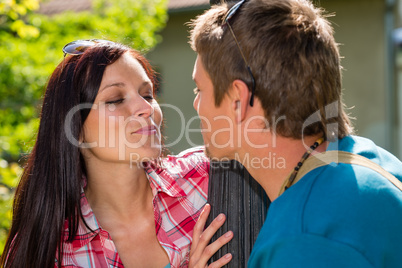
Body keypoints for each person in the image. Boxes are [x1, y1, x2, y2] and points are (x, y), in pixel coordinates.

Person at [189, 0, 402, 267]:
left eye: (199, 90)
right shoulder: (370, 159)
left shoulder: (305, 240)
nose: (196, 104)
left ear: (237, 101)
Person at [0, 40, 231, 268]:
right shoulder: (48, 252)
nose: (147, 108)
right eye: (116, 100)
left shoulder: (207, 177)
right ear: (75, 128)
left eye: (148, 95)